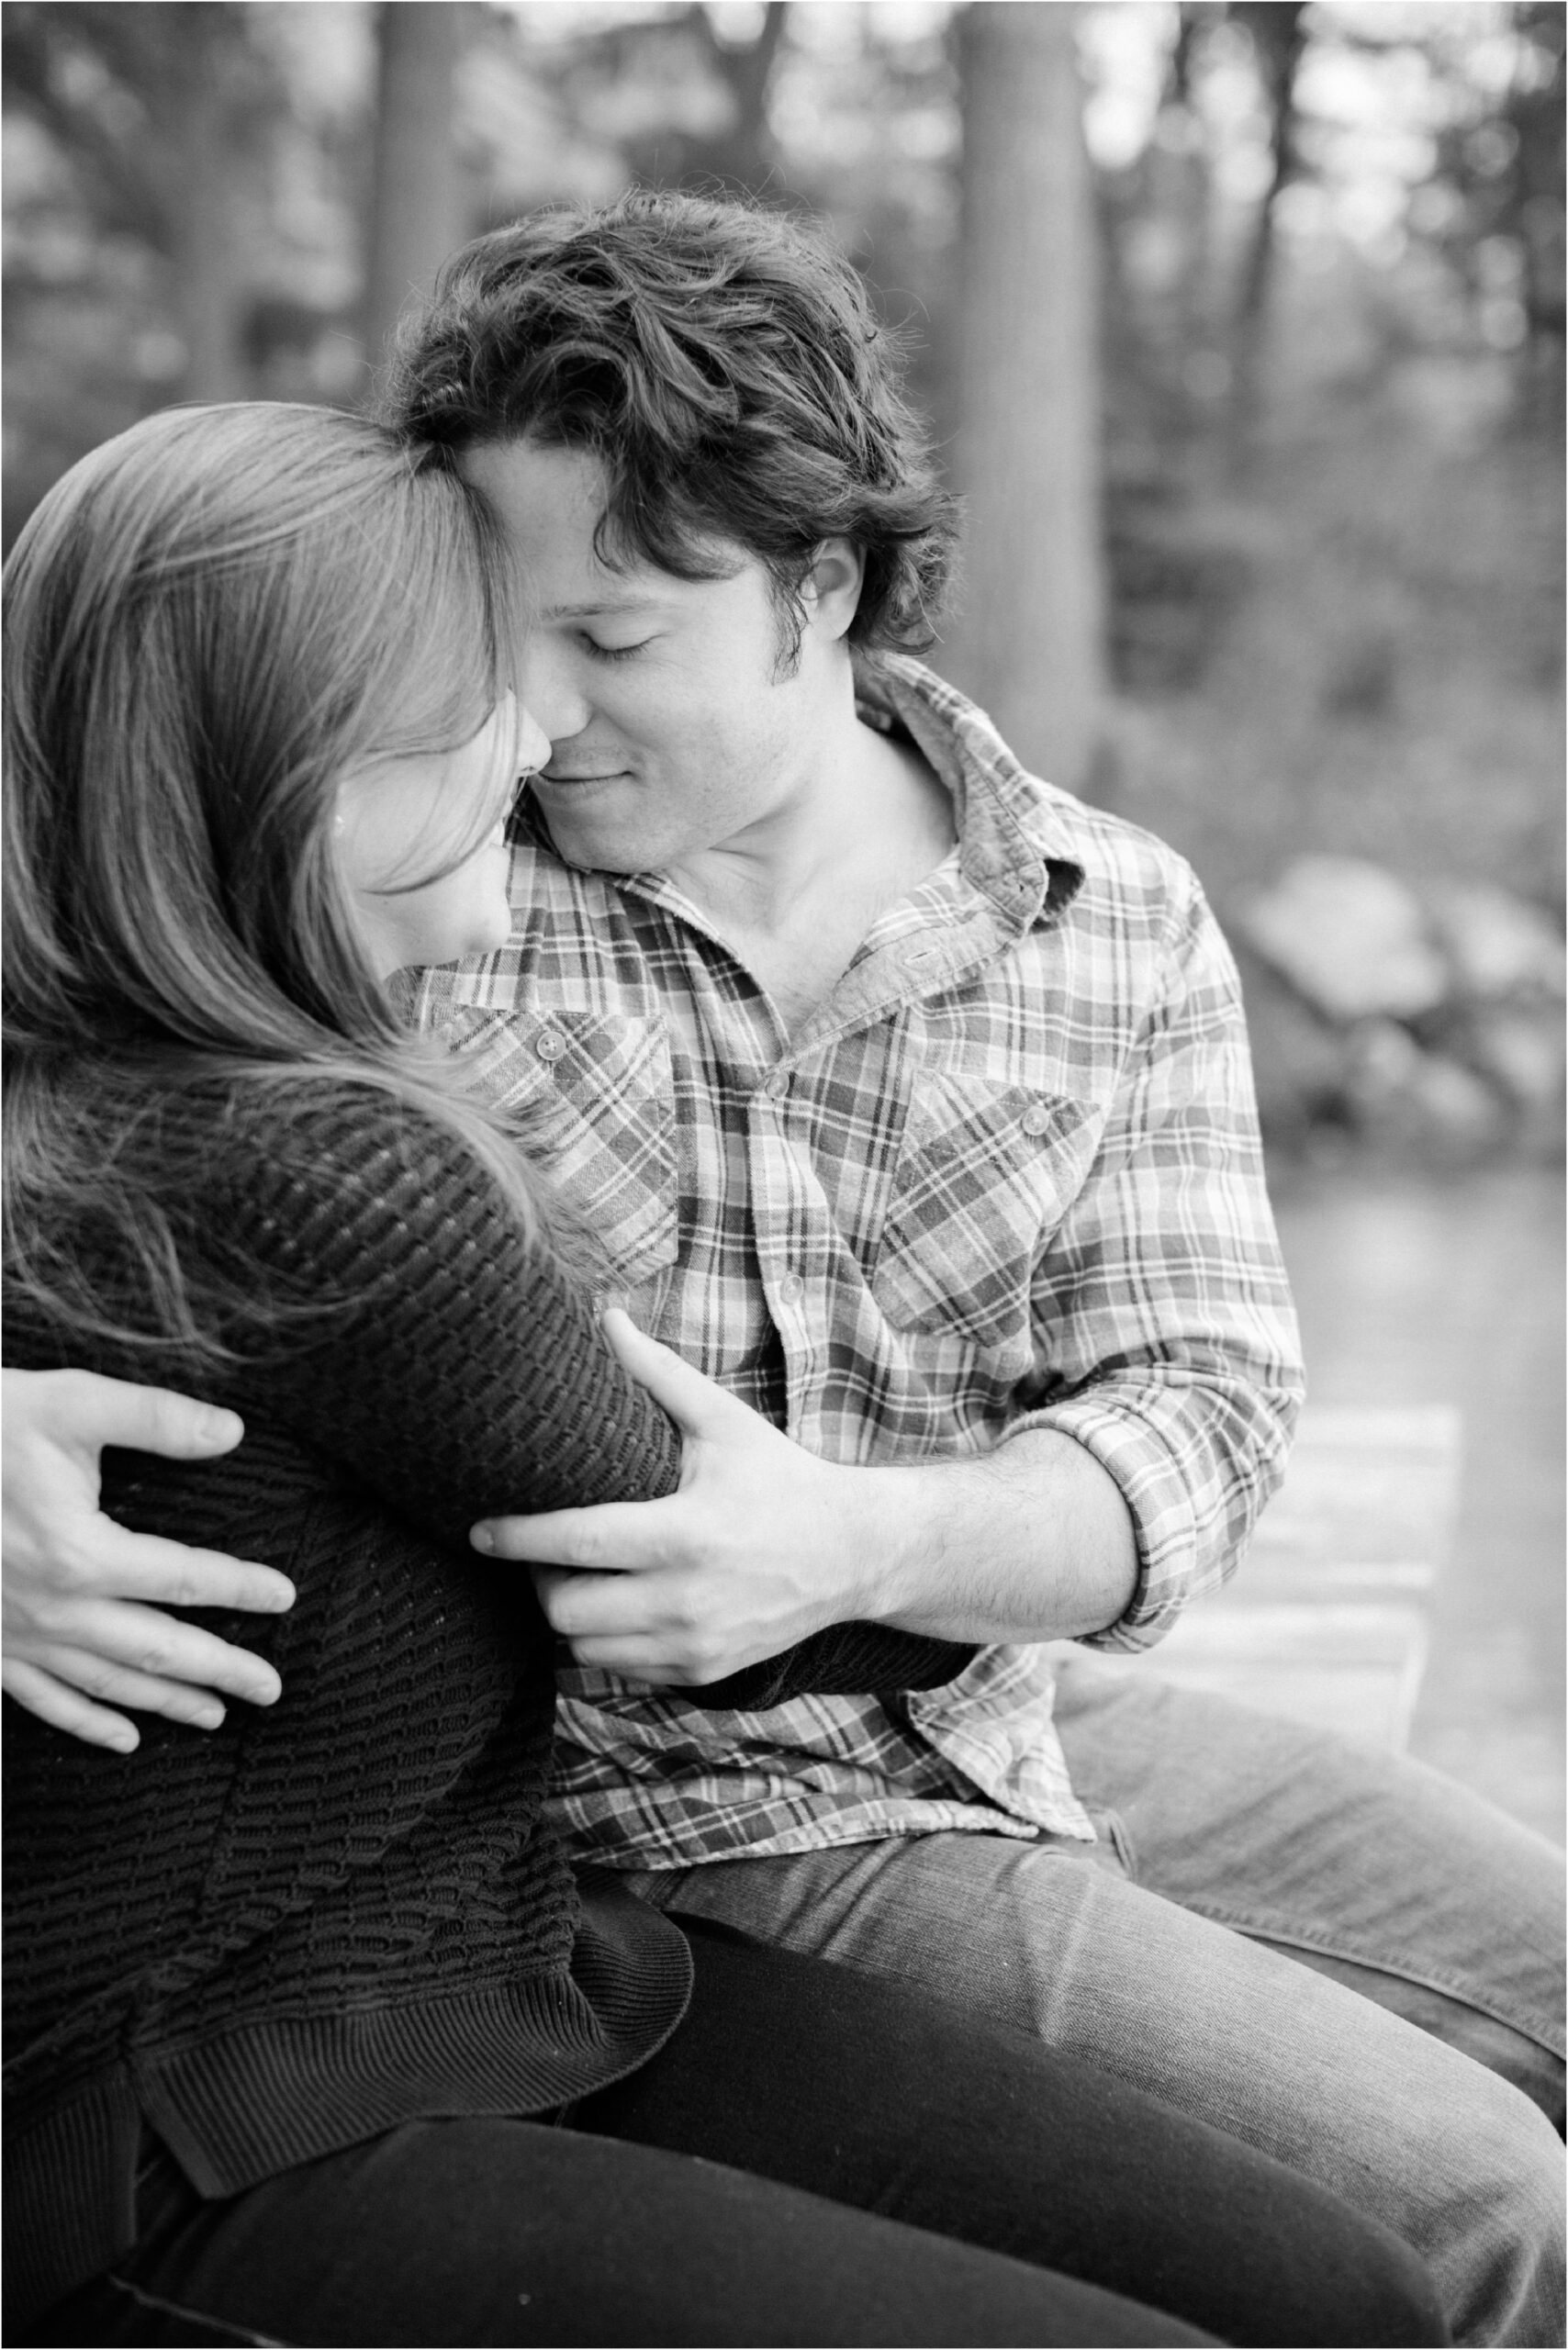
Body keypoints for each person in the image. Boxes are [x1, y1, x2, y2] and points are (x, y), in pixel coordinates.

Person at [6, 189, 1561, 2339]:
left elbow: (1199, 1408)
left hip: (983, 1692)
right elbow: (81, 1050)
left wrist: (862, 1538)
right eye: (499, 630)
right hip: (637, 1810)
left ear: (816, 590)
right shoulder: (387, 864)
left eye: (614, 636)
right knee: (1467, 2201)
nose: (538, 712)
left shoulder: (1102, 911)